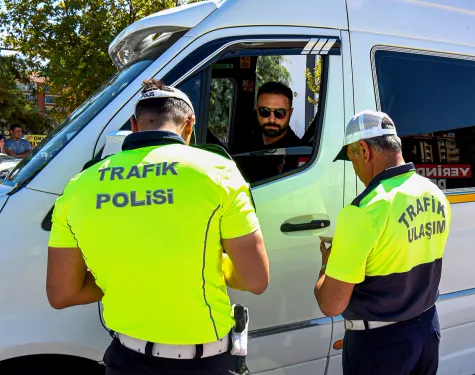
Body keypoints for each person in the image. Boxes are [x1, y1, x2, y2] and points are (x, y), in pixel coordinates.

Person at [46, 79, 270, 375]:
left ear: (134, 125)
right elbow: (256, 279)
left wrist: (128, 274)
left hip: (126, 360)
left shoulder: (78, 187)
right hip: (204, 362)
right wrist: (211, 266)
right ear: (190, 124)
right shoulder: (217, 172)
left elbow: (62, 293)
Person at [313, 110, 452, 375]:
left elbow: (331, 304)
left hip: (380, 347)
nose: (353, 168)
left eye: (351, 157)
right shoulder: (435, 194)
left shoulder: (364, 210)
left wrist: (326, 265)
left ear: (364, 150)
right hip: (426, 333)